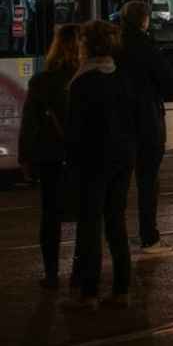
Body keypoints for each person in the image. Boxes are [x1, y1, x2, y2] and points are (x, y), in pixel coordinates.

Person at [66, 20, 137, 310]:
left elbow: (75, 128)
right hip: (122, 159)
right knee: (116, 222)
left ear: (87, 45)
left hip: (92, 161)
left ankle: (89, 293)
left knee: (90, 225)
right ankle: (121, 289)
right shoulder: (122, 77)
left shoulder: (82, 81)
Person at [19, 24, 81, 289]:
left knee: (50, 215)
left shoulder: (41, 81)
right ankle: (81, 272)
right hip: (83, 156)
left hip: (51, 155)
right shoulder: (86, 79)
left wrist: (25, 157)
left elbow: (30, 123)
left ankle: (52, 273)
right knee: (87, 215)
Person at [117, 0, 173, 255]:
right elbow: (167, 82)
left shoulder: (114, 45)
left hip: (119, 123)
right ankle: (149, 236)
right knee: (148, 181)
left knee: (118, 184)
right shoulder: (148, 47)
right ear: (144, 20)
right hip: (146, 120)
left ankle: (117, 238)